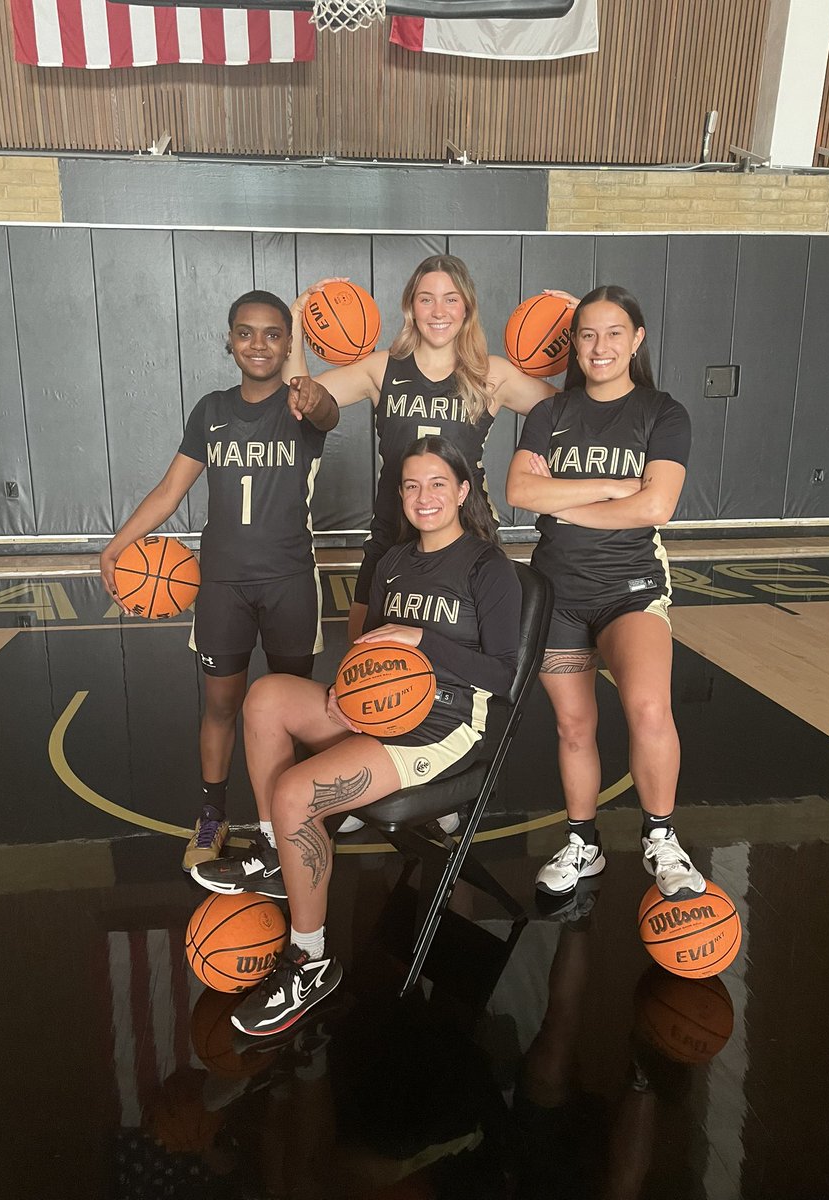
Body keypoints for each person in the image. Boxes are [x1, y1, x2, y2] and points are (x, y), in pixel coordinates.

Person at [191, 436, 522, 1036]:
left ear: (464, 491)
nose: (424, 497)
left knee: (297, 793)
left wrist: (425, 643)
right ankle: (272, 851)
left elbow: (502, 675)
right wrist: (347, 694)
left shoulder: (487, 567)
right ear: (400, 495)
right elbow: (367, 651)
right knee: (265, 697)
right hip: (384, 711)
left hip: (443, 727)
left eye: (438, 484)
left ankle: (310, 958)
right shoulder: (393, 561)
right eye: (412, 486)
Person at [286, 256, 573, 834]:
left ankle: (443, 786)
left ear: (466, 306)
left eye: (450, 298)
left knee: (457, 668)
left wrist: (567, 329)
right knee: (369, 657)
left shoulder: (490, 374)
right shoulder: (380, 370)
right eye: (425, 298)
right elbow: (305, 397)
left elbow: (570, 411)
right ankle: (360, 774)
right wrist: (297, 324)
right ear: (409, 307)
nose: (438, 310)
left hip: (464, 545)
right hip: (391, 543)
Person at [99, 290, 339, 872]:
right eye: (246, 332)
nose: (259, 344)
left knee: (293, 707)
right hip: (224, 586)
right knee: (221, 706)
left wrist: (312, 385)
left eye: (274, 334)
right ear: (228, 341)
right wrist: (118, 543)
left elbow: (328, 409)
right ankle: (213, 813)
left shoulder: (304, 406)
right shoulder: (210, 410)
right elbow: (169, 489)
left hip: (289, 583)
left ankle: (296, 809)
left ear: (288, 344)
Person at [505, 284, 705, 902]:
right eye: (588, 334)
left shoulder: (663, 412)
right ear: (575, 344)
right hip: (557, 595)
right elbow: (519, 493)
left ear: (637, 339)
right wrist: (615, 488)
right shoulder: (550, 414)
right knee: (573, 726)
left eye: (614, 333)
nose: (600, 346)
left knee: (648, 709)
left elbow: (658, 505)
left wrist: (566, 500)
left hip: (630, 587)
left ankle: (662, 837)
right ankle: (582, 841)